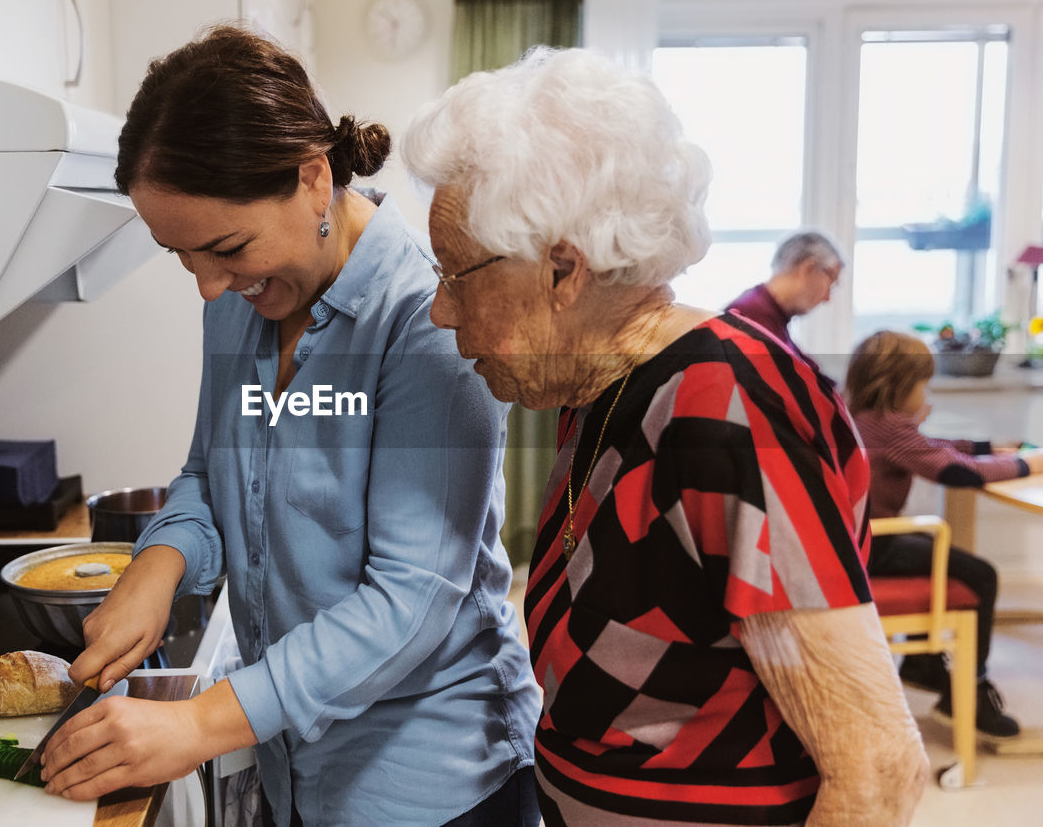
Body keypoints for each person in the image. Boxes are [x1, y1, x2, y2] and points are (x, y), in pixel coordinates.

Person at [402, 47, 928, 826]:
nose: (441, 312)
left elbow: (880, 768)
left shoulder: (728, 407)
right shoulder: (605, 389)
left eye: (457, 276)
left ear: (562, 270)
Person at [38, 25, 542, 827]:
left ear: (313, 178)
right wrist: (159, 565)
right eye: (181, 255)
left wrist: (196, 725)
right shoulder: (245, 299)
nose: (207, 287)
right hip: (288, 766)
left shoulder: (424, 321)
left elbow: (411, 599)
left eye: (225, 247)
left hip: (427, 781)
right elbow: (212, 468)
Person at [845, 329, 1043, 738]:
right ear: (902, 387)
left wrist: (990, 445)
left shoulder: (863, 415)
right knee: (981, 574)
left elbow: (932, 446)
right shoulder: (890, 429)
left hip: (857, 541)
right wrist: (1031, 465)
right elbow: (956, 472)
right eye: (924, 384)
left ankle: (924, 664)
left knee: (934, 548)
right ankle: (968, 693)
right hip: (872, 548)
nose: (926, 392)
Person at [725, 231, 844, 370]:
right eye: (832, 282)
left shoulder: (768, 313)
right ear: (808, 269)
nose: (827, 298)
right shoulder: (748, 317)